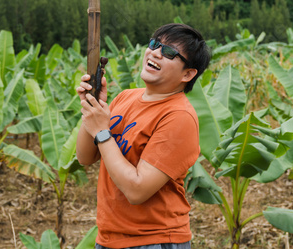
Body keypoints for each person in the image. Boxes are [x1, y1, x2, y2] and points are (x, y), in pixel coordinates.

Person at [76, 23, 211, 249]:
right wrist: (92, 106)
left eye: (169, 52)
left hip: (153, 240)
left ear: (187, 74)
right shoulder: (126, 98)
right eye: (154, 44)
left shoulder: (179, 117)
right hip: (109, 237)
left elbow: (137, 190)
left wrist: (101, 131)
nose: (156, 52)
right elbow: (85, 157)